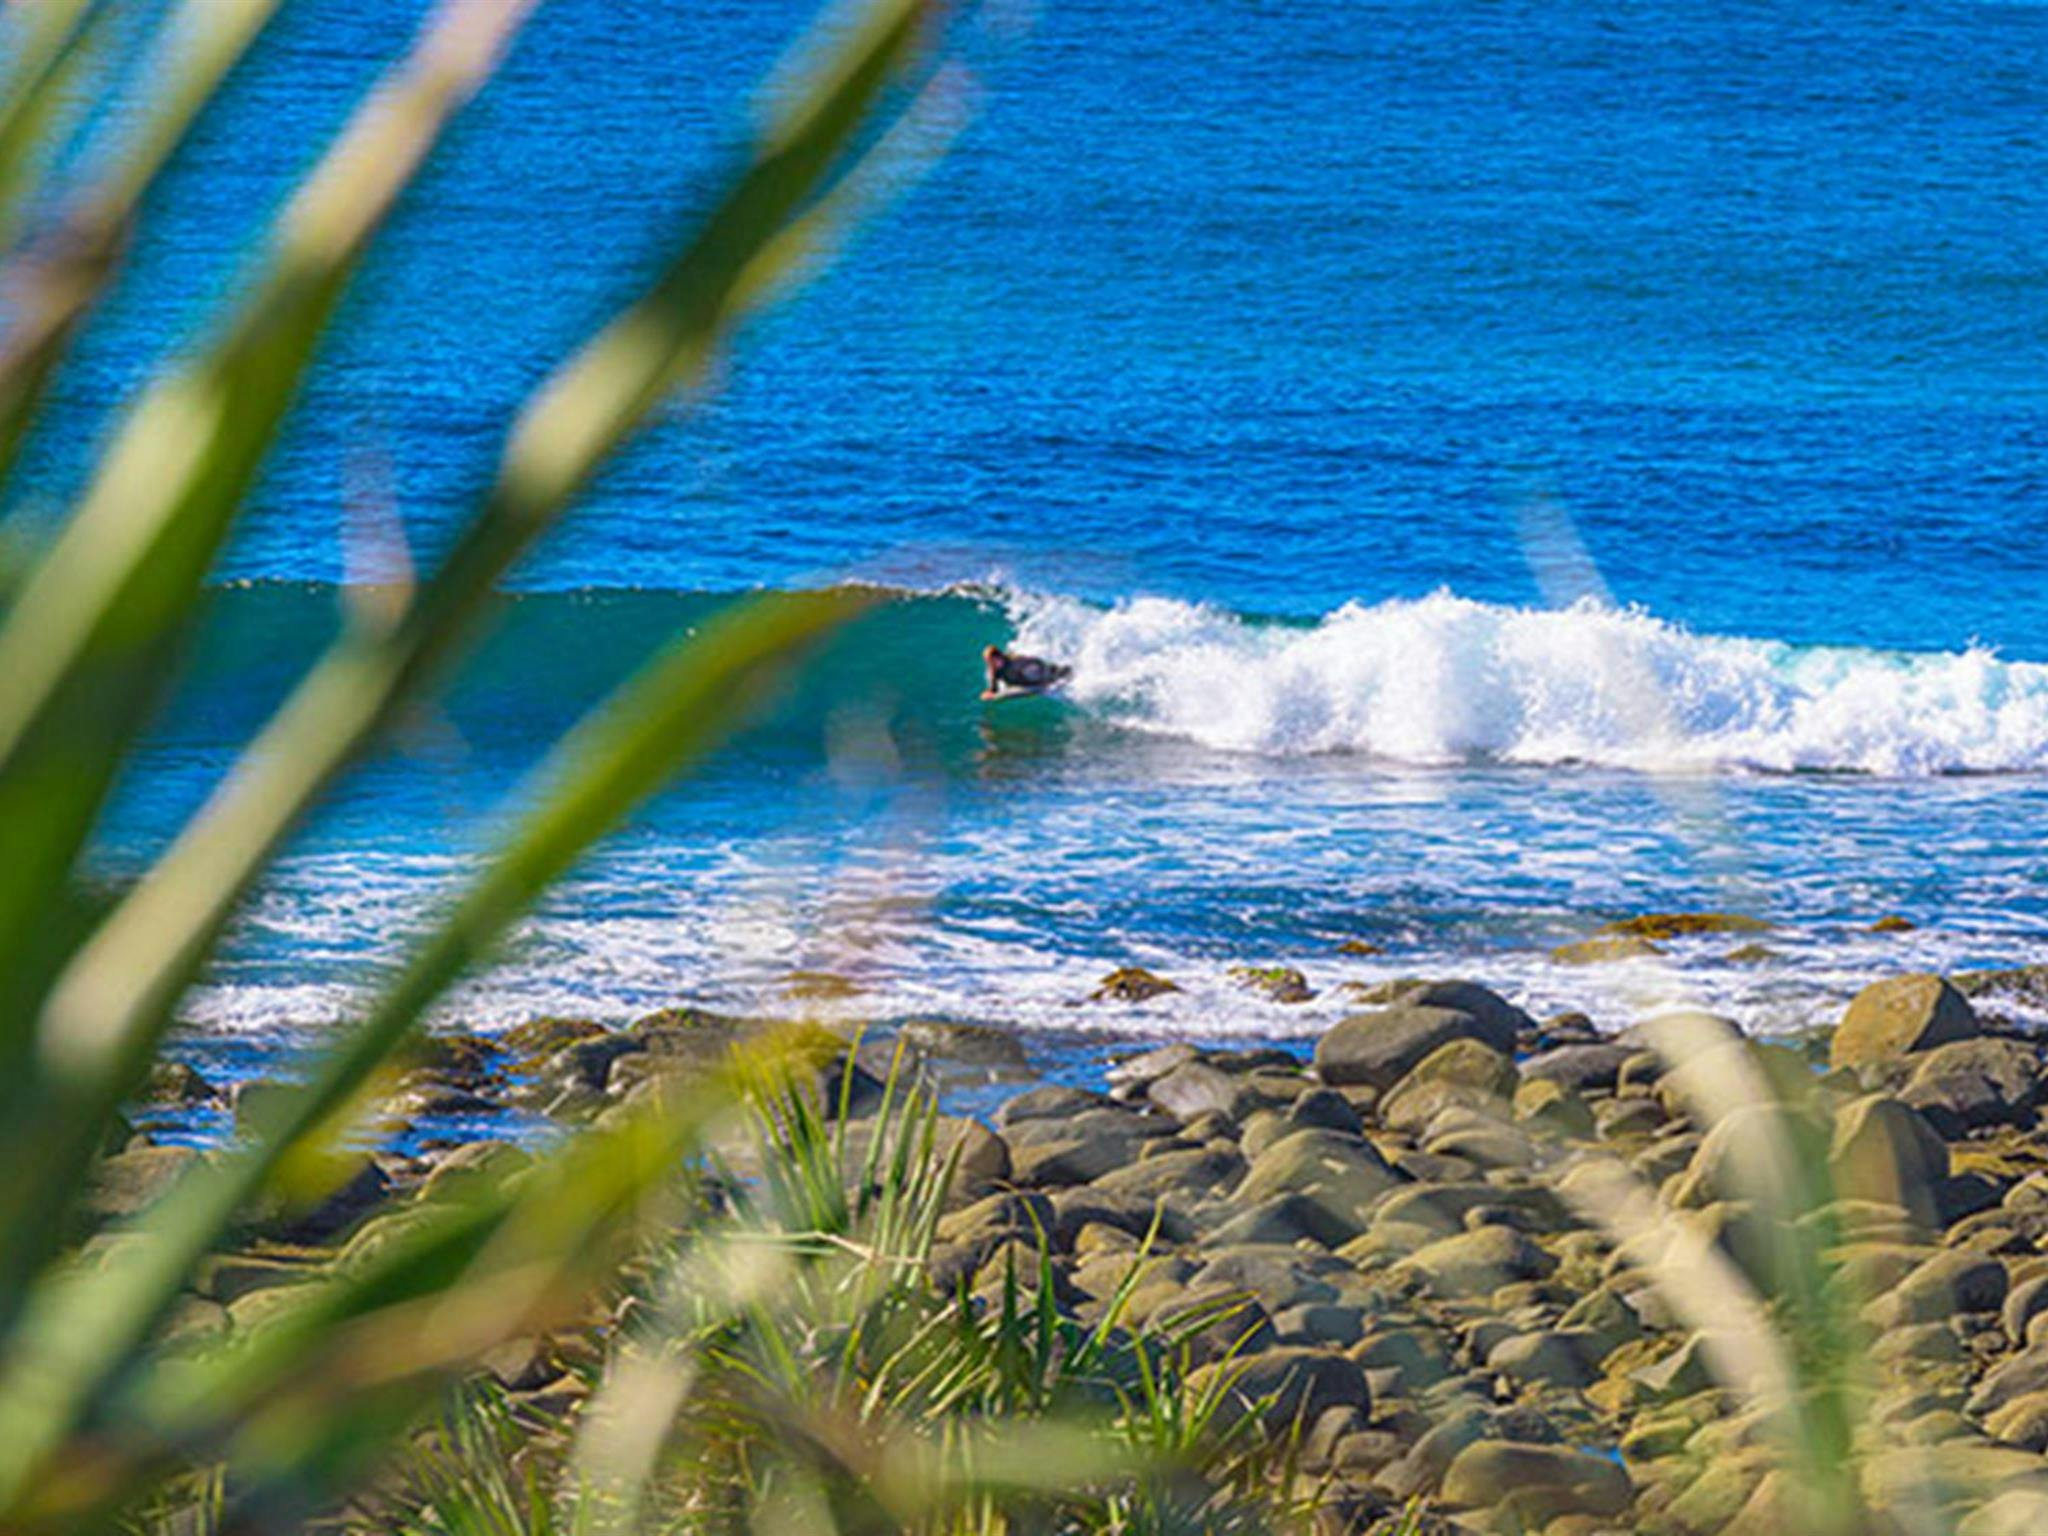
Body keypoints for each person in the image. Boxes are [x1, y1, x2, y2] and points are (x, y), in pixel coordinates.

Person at [982, 643, 1071, 698]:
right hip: (1025, 681)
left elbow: (1036, 662)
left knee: (1060, 674)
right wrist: (991, 692)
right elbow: (993, 689)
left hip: (1044, 673)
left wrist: (1043, 683)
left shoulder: (1016, 662)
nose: (993, 665)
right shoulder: (994, 670)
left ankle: (1067, 671)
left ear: (1000, 657)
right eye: (990, 663)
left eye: (994, 661)